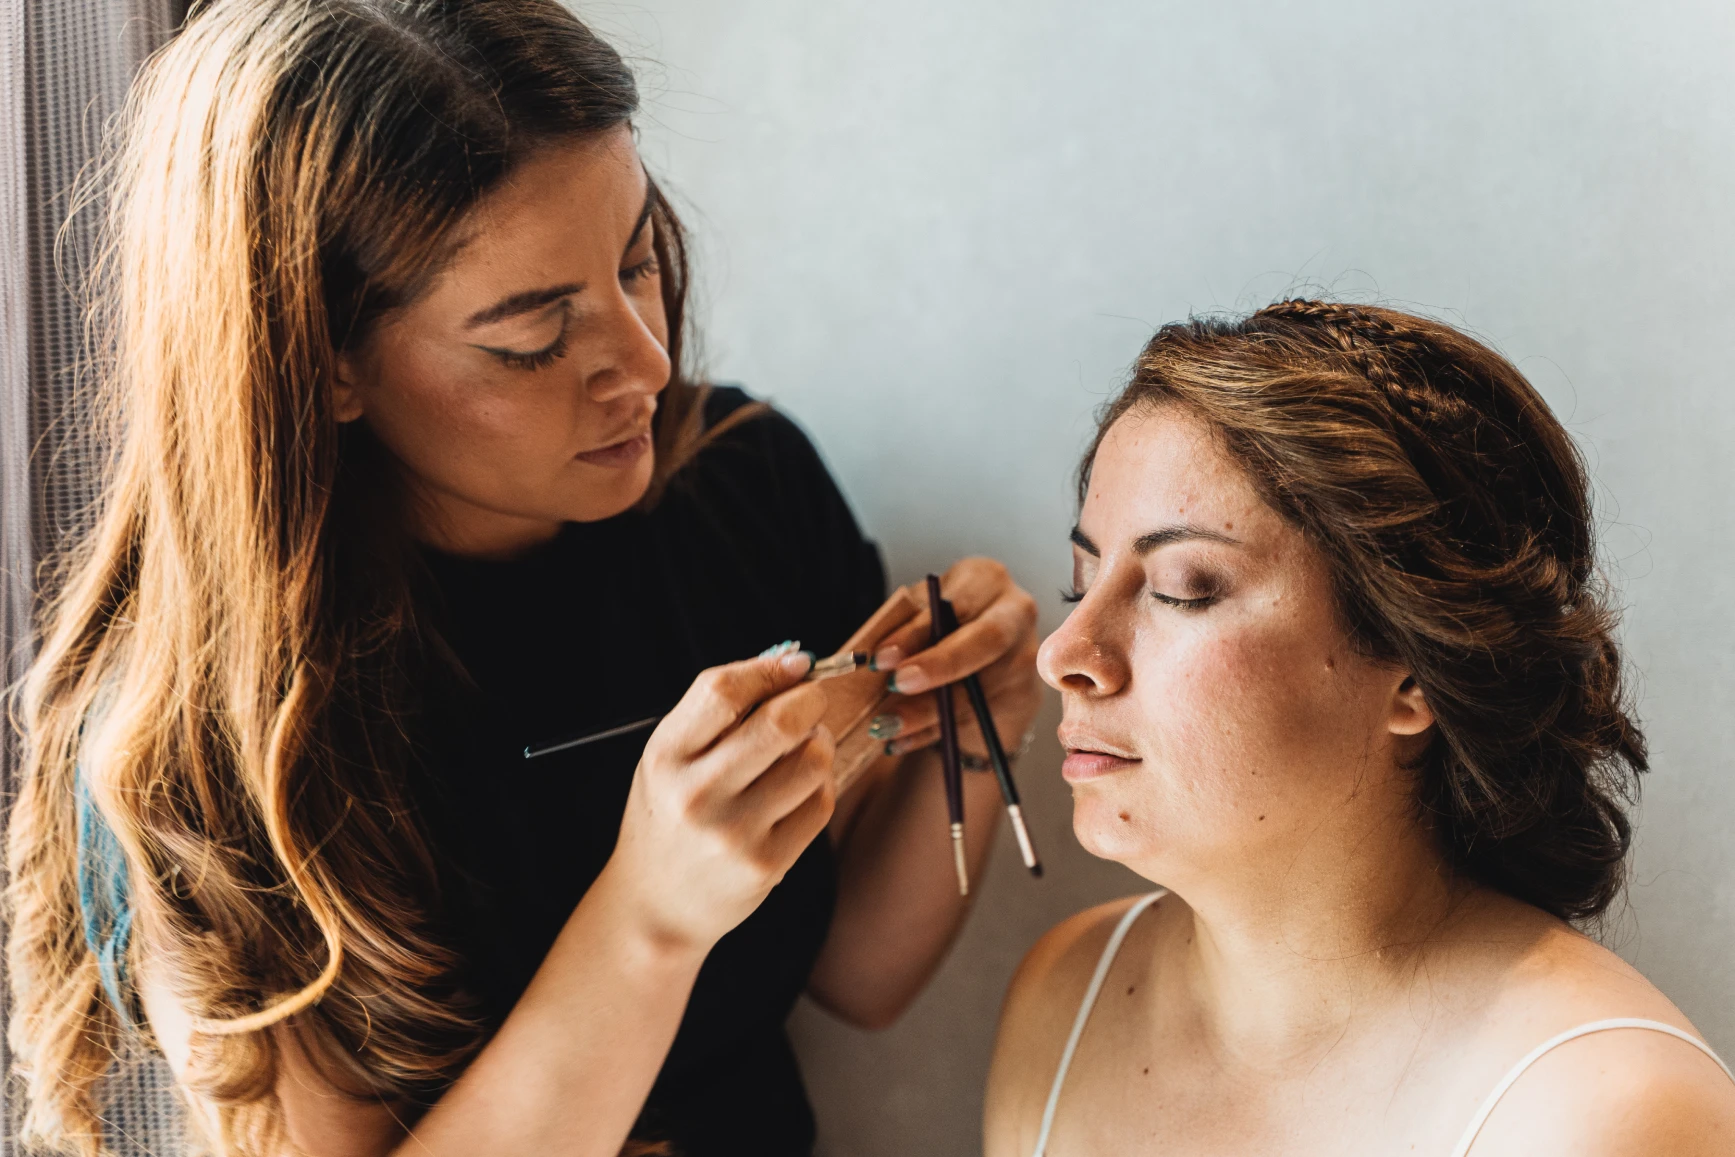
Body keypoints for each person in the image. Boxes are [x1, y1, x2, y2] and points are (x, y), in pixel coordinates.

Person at [6, 3, 1041, 1156]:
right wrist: (647, 918)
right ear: (322, 361)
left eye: (637, 260)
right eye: (533, 337)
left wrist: (973, 730)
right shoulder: (211, 745)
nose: (646, 362)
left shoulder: (745, 487)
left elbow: (856, 972)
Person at [984, 301, 1735, 1156]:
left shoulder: (1602, 1113)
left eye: (1182, 589)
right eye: (1081, 579)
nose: (1063, 653)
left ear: (1416, 668)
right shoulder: (1064, 997)